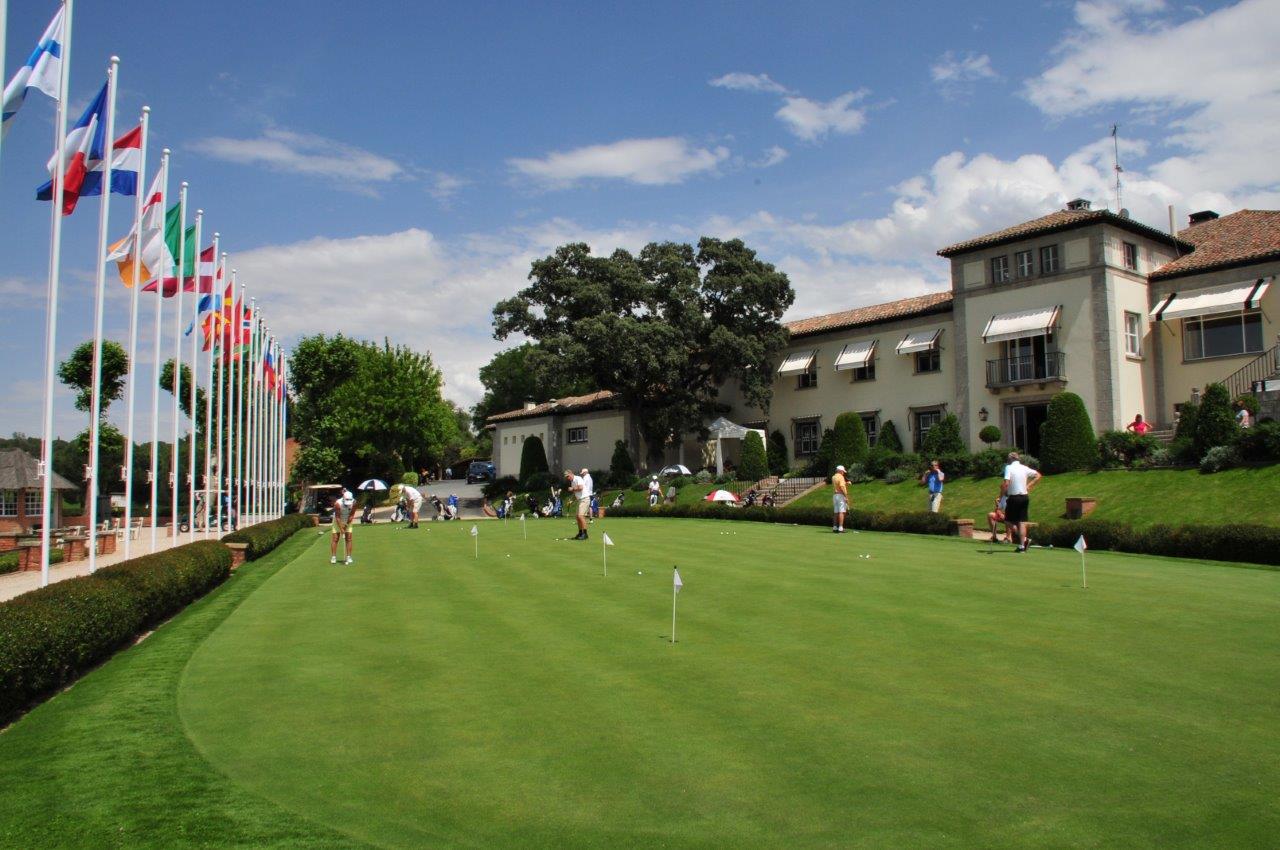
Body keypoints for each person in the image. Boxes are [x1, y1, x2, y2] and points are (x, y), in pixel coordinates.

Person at [1000, 451, 1042, 553]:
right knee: (1022, 522)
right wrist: (1029, 486)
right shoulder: (1024, 468)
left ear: (1010, 459)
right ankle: (1022, 546)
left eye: (1008, 459)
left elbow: (1006, 483)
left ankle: (1025, 540)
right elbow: (1038, 475)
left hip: (1014, 497)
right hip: (1024, 497)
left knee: (1007, 521)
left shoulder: (1009, 467)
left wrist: (1003, 496)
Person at [330, 489, 357, 565]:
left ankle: (348, 557)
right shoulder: (337, 504)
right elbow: (337, 517)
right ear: (343, 498)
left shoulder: (354, 503)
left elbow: (351, 515)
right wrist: (341, 528)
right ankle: (333, 557)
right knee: (335, 538)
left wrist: (346, 525)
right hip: (337, 521)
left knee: (349, 538)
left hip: (348, 520)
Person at [565, 469, 588, 540]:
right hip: (580, 500)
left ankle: (585, 534)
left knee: (580, 516)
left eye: (568, 476)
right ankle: (580, 533)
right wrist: (571, 501)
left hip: (584, 499)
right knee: (577, 517)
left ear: (571, 474)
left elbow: (581, 488)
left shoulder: (578, 478)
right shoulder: (572, 482)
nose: (567, 478)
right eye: (566, 477)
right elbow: (576, 493)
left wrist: (572, 488)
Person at [831, 464, 848, 533]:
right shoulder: (841, 477)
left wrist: (846, 483)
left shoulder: (833, 477)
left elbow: (838, 484)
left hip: (835, 495)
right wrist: (846, 496)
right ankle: (841, 528)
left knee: (836, 512)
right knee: (842, 512)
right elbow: (841, 486)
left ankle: (835, 527)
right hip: (841, 495)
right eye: (843, 471)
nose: (843, 473)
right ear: (840, 471)